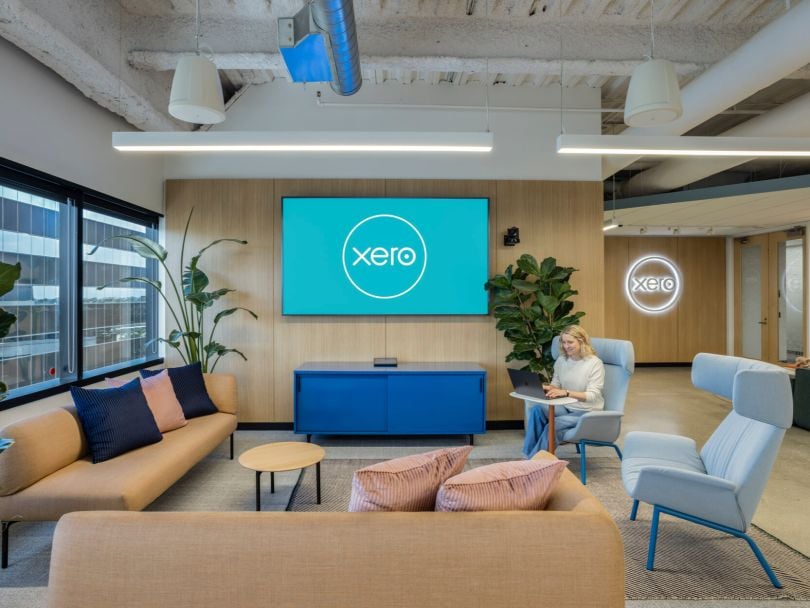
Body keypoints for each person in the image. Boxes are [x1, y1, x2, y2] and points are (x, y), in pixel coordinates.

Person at [522, 325, 605, 459]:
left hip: (586, 412)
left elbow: (592, 395)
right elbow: (555, 385)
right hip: (566, 407)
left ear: (582, 341)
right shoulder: (561, 360)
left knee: (553, 426)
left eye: (570, 342)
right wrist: (543, 387)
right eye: (564, 342)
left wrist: (566, 392)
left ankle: (535, 463)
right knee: (537, 410)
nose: (566, 346)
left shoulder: (594, 363)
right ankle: (528, 456)